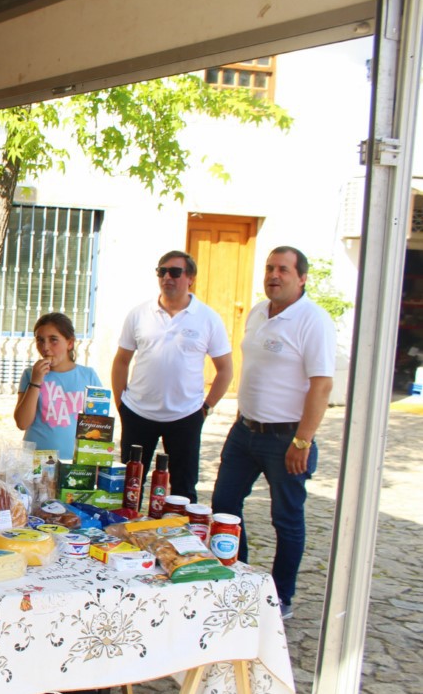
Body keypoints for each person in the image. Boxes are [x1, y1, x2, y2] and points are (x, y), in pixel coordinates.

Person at [211, 246, 335, 620]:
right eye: (269, 268)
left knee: (286, 519)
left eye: (283, 269)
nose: (273, 275)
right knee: (225, 505)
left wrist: (303, 439)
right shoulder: (258, 312)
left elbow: (322, 385)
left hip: (286, 439)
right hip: (245, 431)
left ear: (302, 278)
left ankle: (281, 597)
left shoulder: (313, 320)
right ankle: (238, 577)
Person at [111, 251, 233, 502]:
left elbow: (225, 369)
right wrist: (121, 404)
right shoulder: (139, 314)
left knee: (183, 488)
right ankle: (124, 535)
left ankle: (179, 537)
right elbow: (122, 360)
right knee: (129, 487)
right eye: (161, 271)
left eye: (175, 272)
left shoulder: (208, 318)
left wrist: (206, 407)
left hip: (185, 416)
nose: (167, 277)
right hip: (138, 413)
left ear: (190, 278)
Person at [14, 313, 102, 461]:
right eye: (40, 341)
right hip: (36, 460)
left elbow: (99, 428)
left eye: (53, 340)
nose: (45, 347)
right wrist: (36, 382)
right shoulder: (30, 374)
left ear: (70, 343)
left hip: (74, 461)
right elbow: (22, 423)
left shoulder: (88, 376)